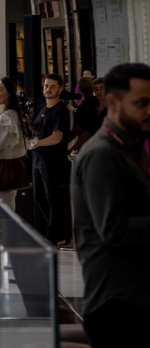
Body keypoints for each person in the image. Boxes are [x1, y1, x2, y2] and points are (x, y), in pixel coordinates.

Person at [71, 63, 150, 348]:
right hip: (118, 303)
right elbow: (113, 229)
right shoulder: (102, 154)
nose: (149, 110)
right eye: (141, 103)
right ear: (114, 103)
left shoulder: (129, 146)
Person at [30, 73, 73, 246]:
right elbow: (38, 130)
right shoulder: (42, 106)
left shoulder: (61, 110)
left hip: (52, 162)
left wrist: (37, 143)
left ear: (60, 89)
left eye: (53, 86)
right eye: (46, 86)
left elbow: (57, 137)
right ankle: (57, 231)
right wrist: (27, 122)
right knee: (39, 197)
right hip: (38, 160)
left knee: (52, 199)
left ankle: (54, 236)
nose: (48, 89)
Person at [0, 77, 30, 210]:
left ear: (10, 93)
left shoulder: (6, 118)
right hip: (8, 172)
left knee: (1, 211)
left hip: (0, 173)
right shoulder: (14, 115)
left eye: (0, 90)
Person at [69, 74, 102, 155]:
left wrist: (68, 146)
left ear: (79, 89)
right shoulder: (100, 103)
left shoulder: (83, 108)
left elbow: (77, 130)